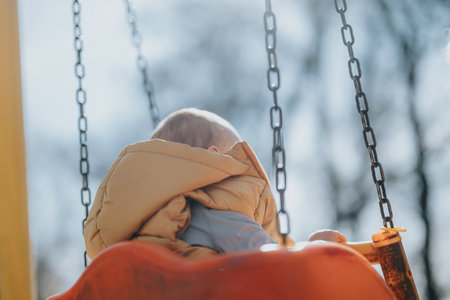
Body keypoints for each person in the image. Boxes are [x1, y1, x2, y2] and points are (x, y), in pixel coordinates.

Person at [83, 108, 343, 259]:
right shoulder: (214, 210)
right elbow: (269, 260)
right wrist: (319, 249)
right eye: (236, 158)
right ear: (217, 159)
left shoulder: (131, 240)